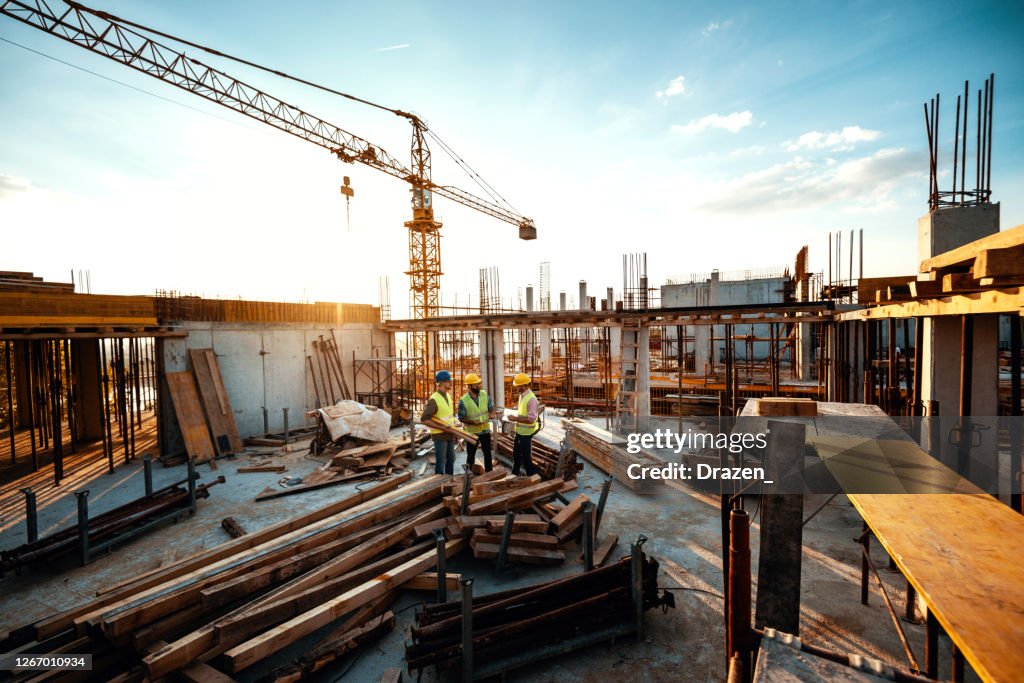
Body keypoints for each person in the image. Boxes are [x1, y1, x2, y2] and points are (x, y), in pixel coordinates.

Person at [458, 373, 498, 472]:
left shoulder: (484, 394)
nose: (479, 385)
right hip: (472, 432)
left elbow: (491, 408)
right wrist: (472, 422)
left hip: (485, 430)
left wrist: (492, 413)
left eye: (478, 383)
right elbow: (461, 418)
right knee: (471, 455)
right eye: (476, 384)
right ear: (469, 386)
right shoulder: (463, 400)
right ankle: (468, 475)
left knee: (487, 453)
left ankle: (489, 473)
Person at [421, 369, 457, 475]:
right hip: (440, 435)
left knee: (451, 459)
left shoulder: (447, 395)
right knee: (441, 462)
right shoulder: (434, 399)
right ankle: (439, 481)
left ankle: (449, 480)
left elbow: (449, 416)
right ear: (442, 382)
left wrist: (455, 431)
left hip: (449, 433)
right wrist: (441, 428)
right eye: (449, 381)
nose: (451, 383)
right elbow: (424, 419)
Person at [507, 372, 540, 476]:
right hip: (520, 432)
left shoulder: (531, 399)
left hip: (526, 433)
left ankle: (531, 477)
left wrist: (515, 418)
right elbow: (523, 412)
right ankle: (514, 475)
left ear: (524, 385)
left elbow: (531, 419)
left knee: (526, 459)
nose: (516, 387)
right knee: (516, 455)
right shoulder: (522, 396)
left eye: (518, 386)